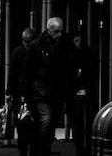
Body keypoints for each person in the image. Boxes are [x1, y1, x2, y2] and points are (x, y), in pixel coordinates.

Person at [15, 18, 74, 156]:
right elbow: (27, 71)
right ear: (48, 31)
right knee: (46, 120)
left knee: (50, 123)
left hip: (55, 92)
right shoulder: (37, 46)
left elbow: (66, 67)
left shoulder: (62, 45)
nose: (59, 34)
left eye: (60, 31)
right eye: (56, 32)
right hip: (40, 92)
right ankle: (40, 149)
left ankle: (42, 148)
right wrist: (25, 93)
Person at [6, 27, 38, 153]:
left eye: (28, 41)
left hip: (30, 93)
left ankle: (26, 148)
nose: (26, 44)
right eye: (25, 41)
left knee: (28, 124)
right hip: (22, 93)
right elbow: (12, 74)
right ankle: (24, 149)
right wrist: (10, 92)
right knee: (23, 124)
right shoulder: (19, 52)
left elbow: (12, 74)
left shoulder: (22, 52)